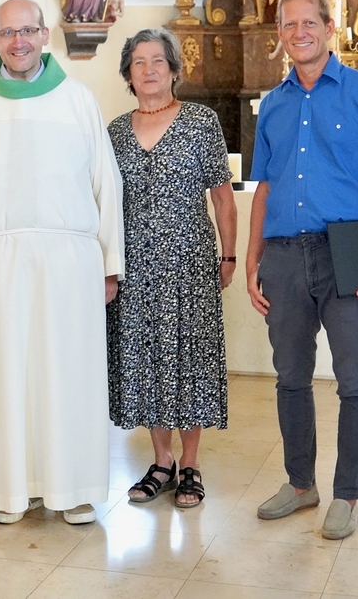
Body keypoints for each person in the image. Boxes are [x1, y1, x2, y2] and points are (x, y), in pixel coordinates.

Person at [0, 0, 125, 525]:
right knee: (1, 377)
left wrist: (110, 263)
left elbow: (106, 184)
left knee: (67, 375)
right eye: (8, 33)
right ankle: (8, 491)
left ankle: (72, 489)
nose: (19, 42)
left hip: (67, 264)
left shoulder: (77, 100)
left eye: (28, 31)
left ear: (44, 35)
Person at [248, 0, 358, 540]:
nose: (300, 33)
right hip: (284, 255)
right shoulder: (273, 104)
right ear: (280, 35)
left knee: (354, 379)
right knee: (290, 377)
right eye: (289, 25)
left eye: (308, 22)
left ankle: (346, 495)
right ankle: (300, 486)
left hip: (349, 251)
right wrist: (253, 261)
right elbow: (265, 189)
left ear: (329, 27)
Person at [106, 28, 237, 508]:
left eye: (158, 60)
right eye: (139, 62)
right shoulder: (114, 132)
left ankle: (191, 463)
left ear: (174, 69)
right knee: (146, 362)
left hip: (189, 263)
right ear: (128, 73)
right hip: (134, 268)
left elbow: (222, 196)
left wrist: (228, 255)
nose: (149, 69)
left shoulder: (201, 121)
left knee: (189, 360)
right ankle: (161, 462)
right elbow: (103, 203)